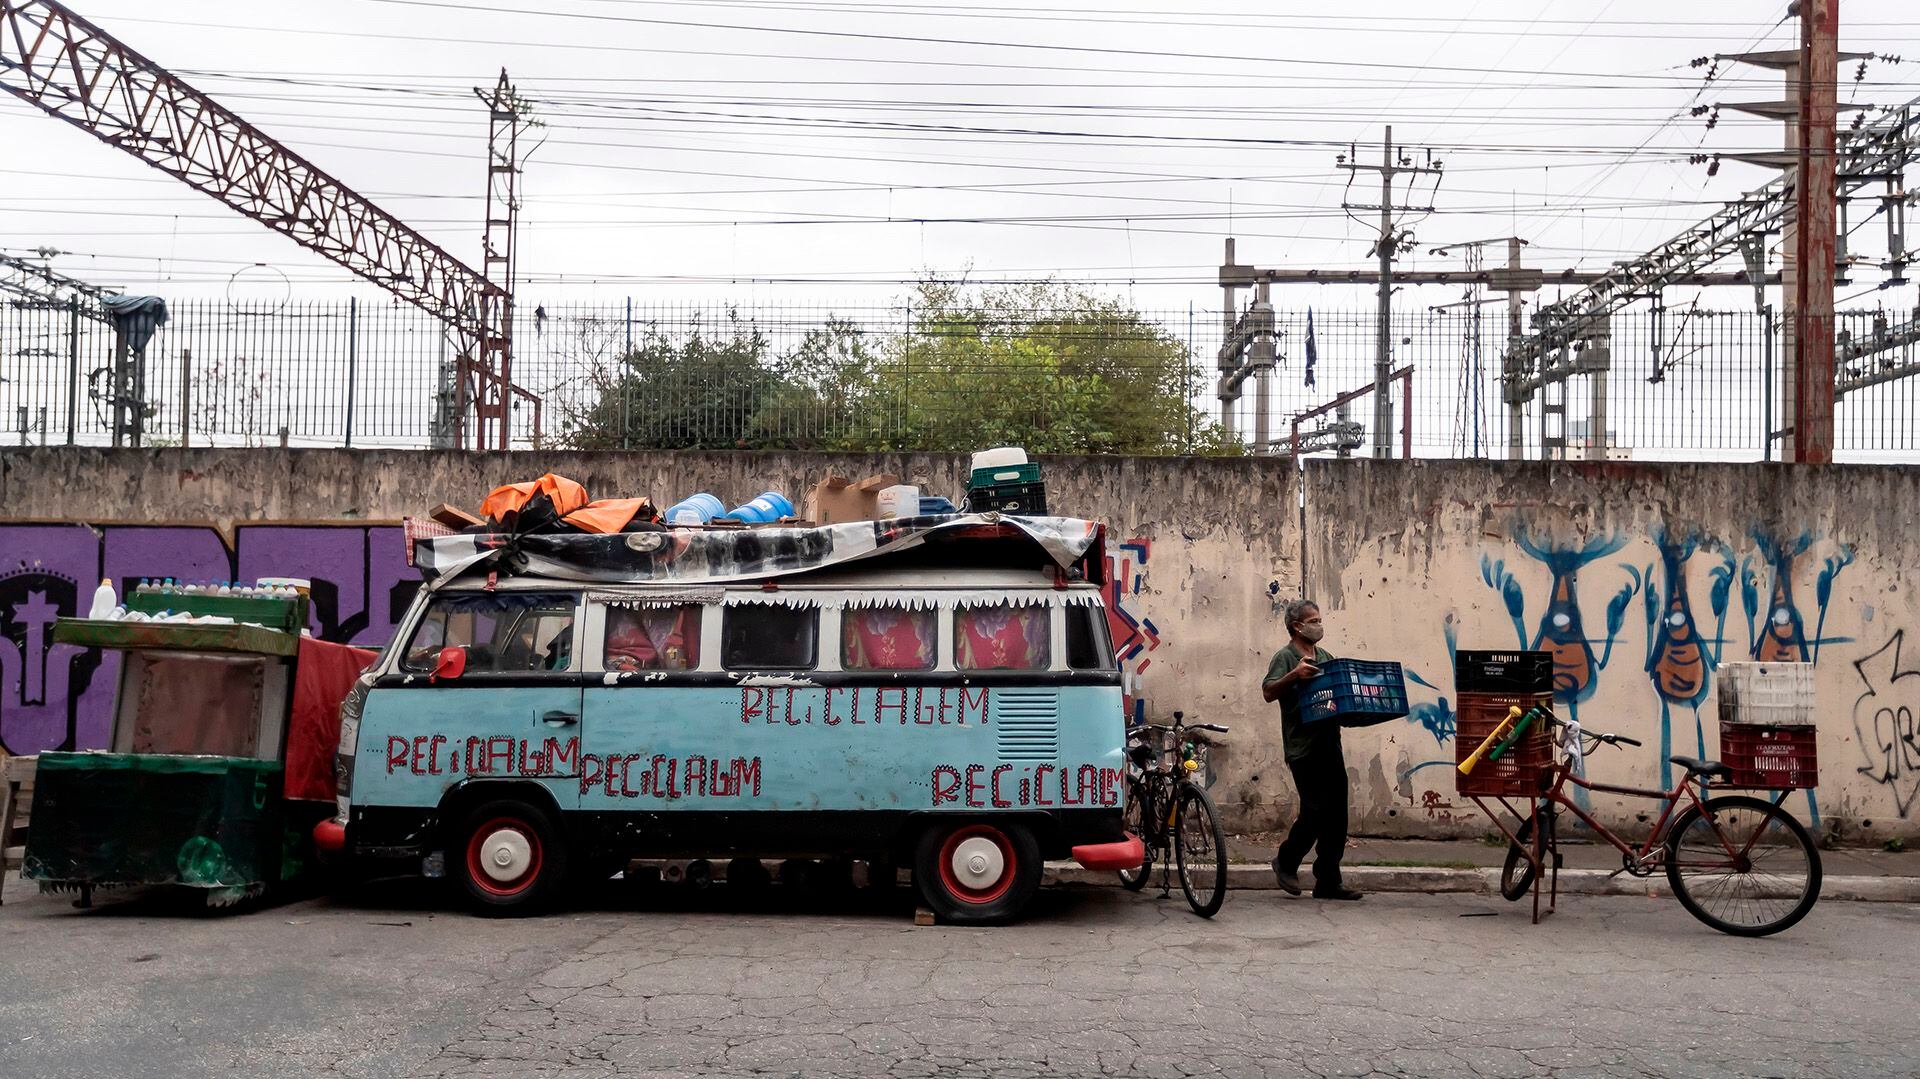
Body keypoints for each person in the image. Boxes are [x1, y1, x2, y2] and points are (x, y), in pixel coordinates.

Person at [1261, 599, 1362, 901]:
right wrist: (1294, 675)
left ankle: (1328, 880)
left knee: (1337, 816)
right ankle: (1287, 861)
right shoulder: (1286, 656)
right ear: (1297, 626)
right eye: (1314, 620)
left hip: (1329, 744)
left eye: (1319, 620)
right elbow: (1268, 691)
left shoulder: (1325, 656)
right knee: (1315, 811)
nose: (1319, 626)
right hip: (1302, 748)